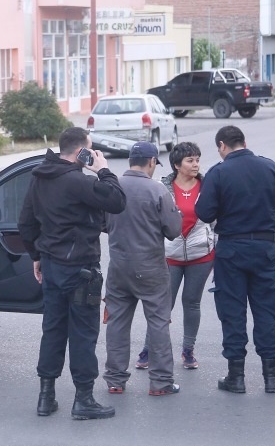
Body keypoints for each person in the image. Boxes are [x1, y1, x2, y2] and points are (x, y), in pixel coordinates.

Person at [18, 127, 126, 420]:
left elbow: (26, 223)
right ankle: (84, 399)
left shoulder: (39, 178)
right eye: (89, 149)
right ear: (82, 151)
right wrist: (103, 170)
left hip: (52, 266)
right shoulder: (79, 181)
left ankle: (46, 397)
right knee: (83, 333)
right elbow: (117, 200)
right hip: (81, 269)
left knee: (52, 329)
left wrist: (37, 257)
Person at [195, 125, 275, 394]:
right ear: (244, 142)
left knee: (233, 312)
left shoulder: (218, 172)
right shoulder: (268, 166)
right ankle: (271, 378)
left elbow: (204, 212)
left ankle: (236, 378)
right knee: (266, 311)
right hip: (264, 247)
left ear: (222, 146)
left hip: (232, 250)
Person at [103, 141, 183, 396]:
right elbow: (173, 231)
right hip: (150, 267)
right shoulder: (158, 191)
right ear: (151, 162)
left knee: (116, 322)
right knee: (158, 323)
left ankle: (115, 380)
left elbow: (103, 224)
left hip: (119, 266)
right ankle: (160, 383)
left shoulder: (111, 188)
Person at [134, 142, 215, 371]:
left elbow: (217, 219)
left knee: (192, 303)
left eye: (198, 159)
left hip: (201, 255)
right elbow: (152, 221)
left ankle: (188, 351)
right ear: (177, 165)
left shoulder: (208, 185)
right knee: (162, 306)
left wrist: (214, 246)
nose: (196, 164)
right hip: (169, 257)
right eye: (190, 160)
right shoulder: (162, 187)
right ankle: (148, 349)